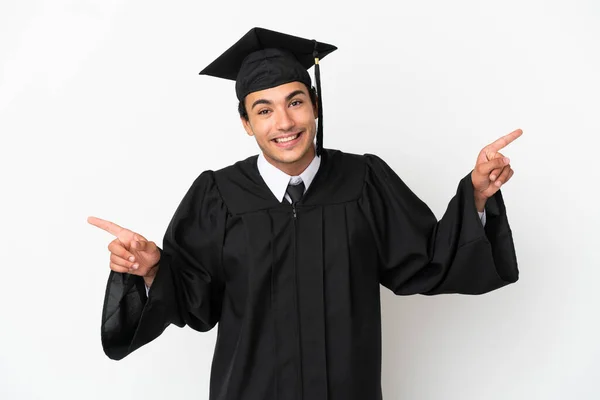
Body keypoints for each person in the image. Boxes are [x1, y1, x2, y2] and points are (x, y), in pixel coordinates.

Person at [88, 27, 520, 400]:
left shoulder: (364, 181)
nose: (283, 123)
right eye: (264, 110)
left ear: (313, 105)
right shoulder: (217, 195)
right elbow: (194, 300)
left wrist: (477, 196)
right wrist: (152, 269)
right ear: (246, 123)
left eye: (294, 102)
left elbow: (427, 259)